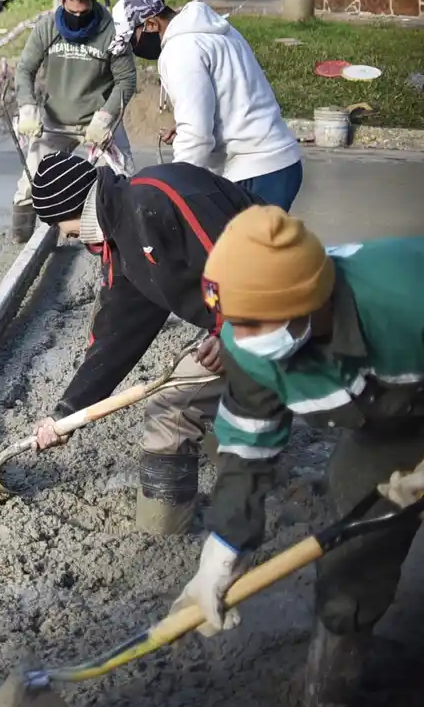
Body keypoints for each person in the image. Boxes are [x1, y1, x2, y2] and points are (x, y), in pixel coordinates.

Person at [174, 209, 423, 707]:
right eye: (232, 323)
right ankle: (331, 681)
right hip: (391, 428)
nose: (239, 342)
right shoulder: (246, 349)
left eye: (251, 323)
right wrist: (224, 549)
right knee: (355, 547)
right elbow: (247, 445)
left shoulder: (406, 299)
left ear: (306, 301)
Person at [28, 151, 256, 534]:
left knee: (172, 408)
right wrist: (66, 412)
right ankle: (249, 474)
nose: (63, 234)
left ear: (75, 207)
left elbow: (238, 257)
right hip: (248, 315)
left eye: (58, 222)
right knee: (220, 407)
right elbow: (114, 338)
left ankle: (163, 534)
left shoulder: (156, 197)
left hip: (278, 305)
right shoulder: (122, 241)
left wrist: (230, 328)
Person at [113, 0, 303, 210]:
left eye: (132, 41)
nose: (134, 49)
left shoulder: (180, 50)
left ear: (152, 24)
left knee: (237, 244)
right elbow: (231, 93)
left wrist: (174, 189)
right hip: (277, 162)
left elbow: (196, 135)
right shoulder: (218, 31)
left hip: (256, 168)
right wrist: (186, 125)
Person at [11, 0, 136, 243]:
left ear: (92, 4)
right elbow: (24, 70)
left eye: (83, 12)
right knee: (31, 181)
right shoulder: (48, 28)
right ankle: (21, 242)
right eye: (71, 12)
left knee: (121, 177)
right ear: (62, 3)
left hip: (98, 122)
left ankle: (124, 239)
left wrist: (106, 116)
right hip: (54, 121)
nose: (77, 17)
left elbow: (126, 81)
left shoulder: (111, 34)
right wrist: (27, 106)